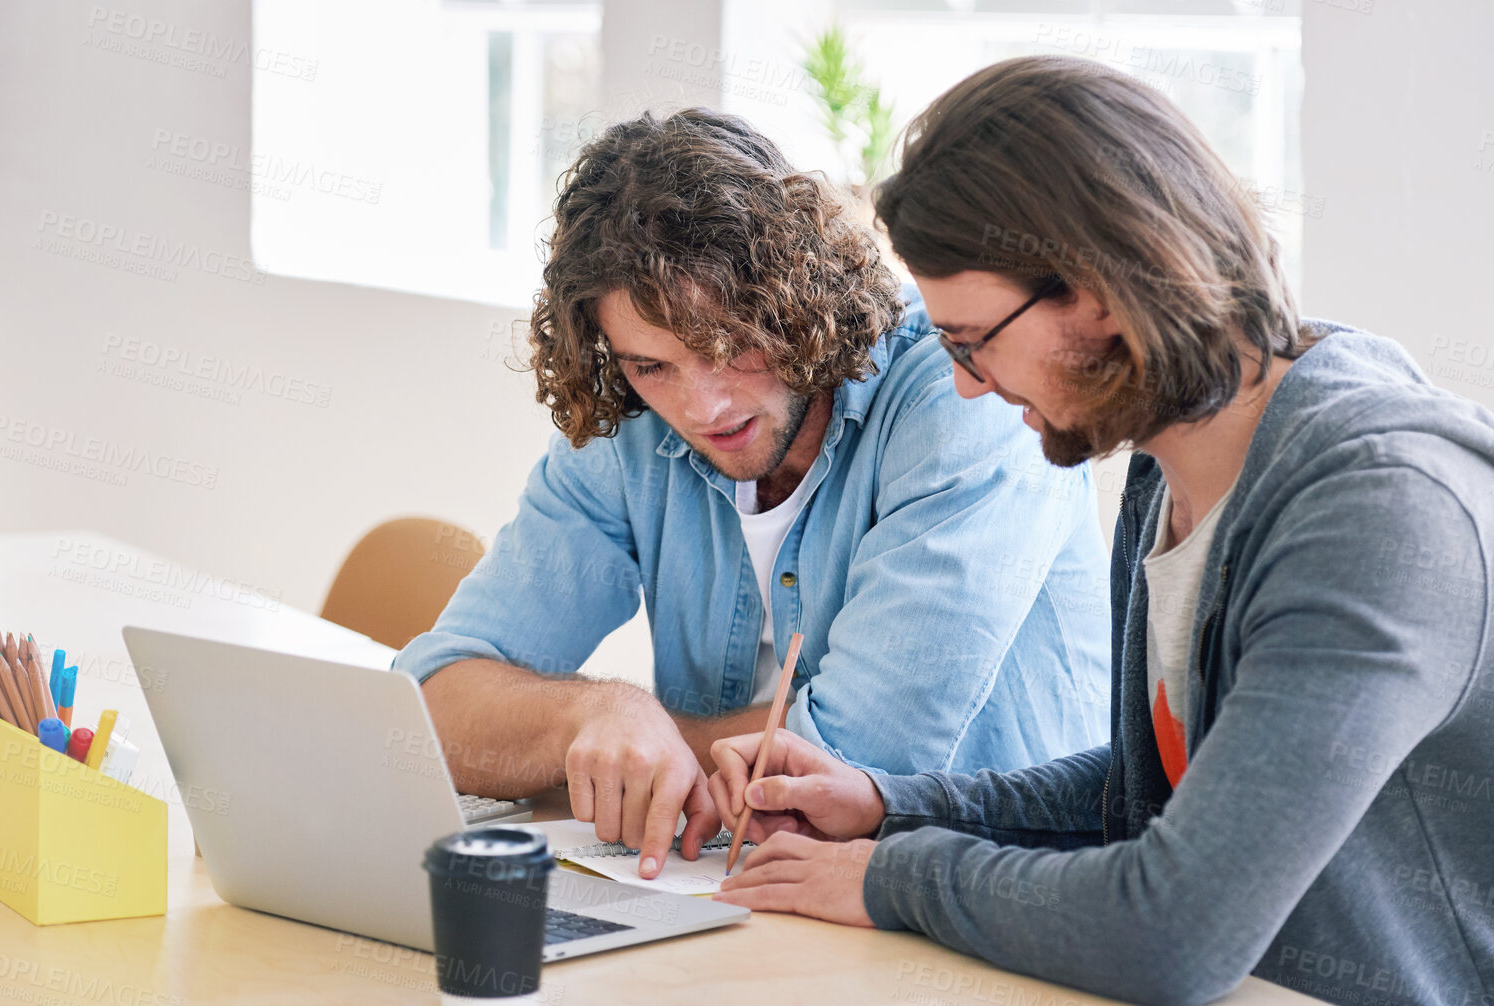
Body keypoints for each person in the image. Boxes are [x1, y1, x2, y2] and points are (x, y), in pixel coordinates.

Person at [707, 56, 1494, 1006]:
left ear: (1099, 293)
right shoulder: (1167, 460)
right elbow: (1152, 797)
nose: (968, 384)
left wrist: (894, 879)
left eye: (973, 342)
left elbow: (1175, 932)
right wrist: (889, 808)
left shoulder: (1387, 511)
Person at [392, 108, 1111, 880]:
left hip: (976, 893)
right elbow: (431, 702)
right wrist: (595, 713)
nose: (704, 408)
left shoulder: (966, 396)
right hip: (732, 883)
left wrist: (613, 747)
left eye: (730, 347)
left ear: (798, 300)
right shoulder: (632, 416)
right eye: (652, 366)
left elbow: (844, 766)